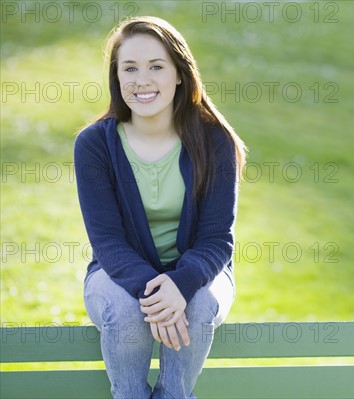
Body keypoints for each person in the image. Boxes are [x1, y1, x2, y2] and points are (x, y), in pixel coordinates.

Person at [74, 16, 246, 399]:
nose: (142, 79)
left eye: (156, 66)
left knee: (199, 306)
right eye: (129, 68)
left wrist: (181, 284)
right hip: (117, 272)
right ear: (116, 77)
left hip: (200, 271)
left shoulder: (214, 140)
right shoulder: (94, 145)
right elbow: (108, 243)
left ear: (180, 74)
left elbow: (217, 240)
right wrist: (157, 292)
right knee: (126, 311)